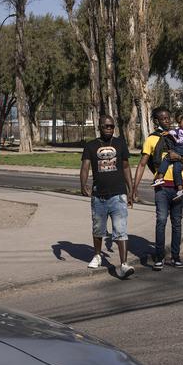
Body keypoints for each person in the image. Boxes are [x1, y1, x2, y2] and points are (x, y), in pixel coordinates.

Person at [133, 107, 183, 270]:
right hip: (161, 189)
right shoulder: (151, 139)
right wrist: (133, 188)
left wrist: (179, 157)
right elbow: (142, 163)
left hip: (179, 187)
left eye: (168, 118)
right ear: (156, 121)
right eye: (163, 119)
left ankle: (175, 257)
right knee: (161, 221)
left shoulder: (179, 137)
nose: (167, 121)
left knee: (177, 223)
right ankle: (159, 257)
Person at [80, 115, 135, 279]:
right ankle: (97, 255)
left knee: (121, 230)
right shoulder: (91, 146)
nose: (109, 129)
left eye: (111, 126)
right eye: (106, 126)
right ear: (100, 127)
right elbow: (85, 167)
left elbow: (126, 167)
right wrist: (83, 184)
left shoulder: (120, 143)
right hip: (99, 196)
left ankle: (124, 265)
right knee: (98, 228)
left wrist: (131, 190)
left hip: (118, 195)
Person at [151, 109, 183, 201]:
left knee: (168, 156)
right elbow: (174, 132)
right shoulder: (181, 128)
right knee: (177, 169)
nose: (179, 125)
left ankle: (160, 177)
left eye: (180, 122)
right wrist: (169, 133)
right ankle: (180, 189)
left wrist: (176, 139)